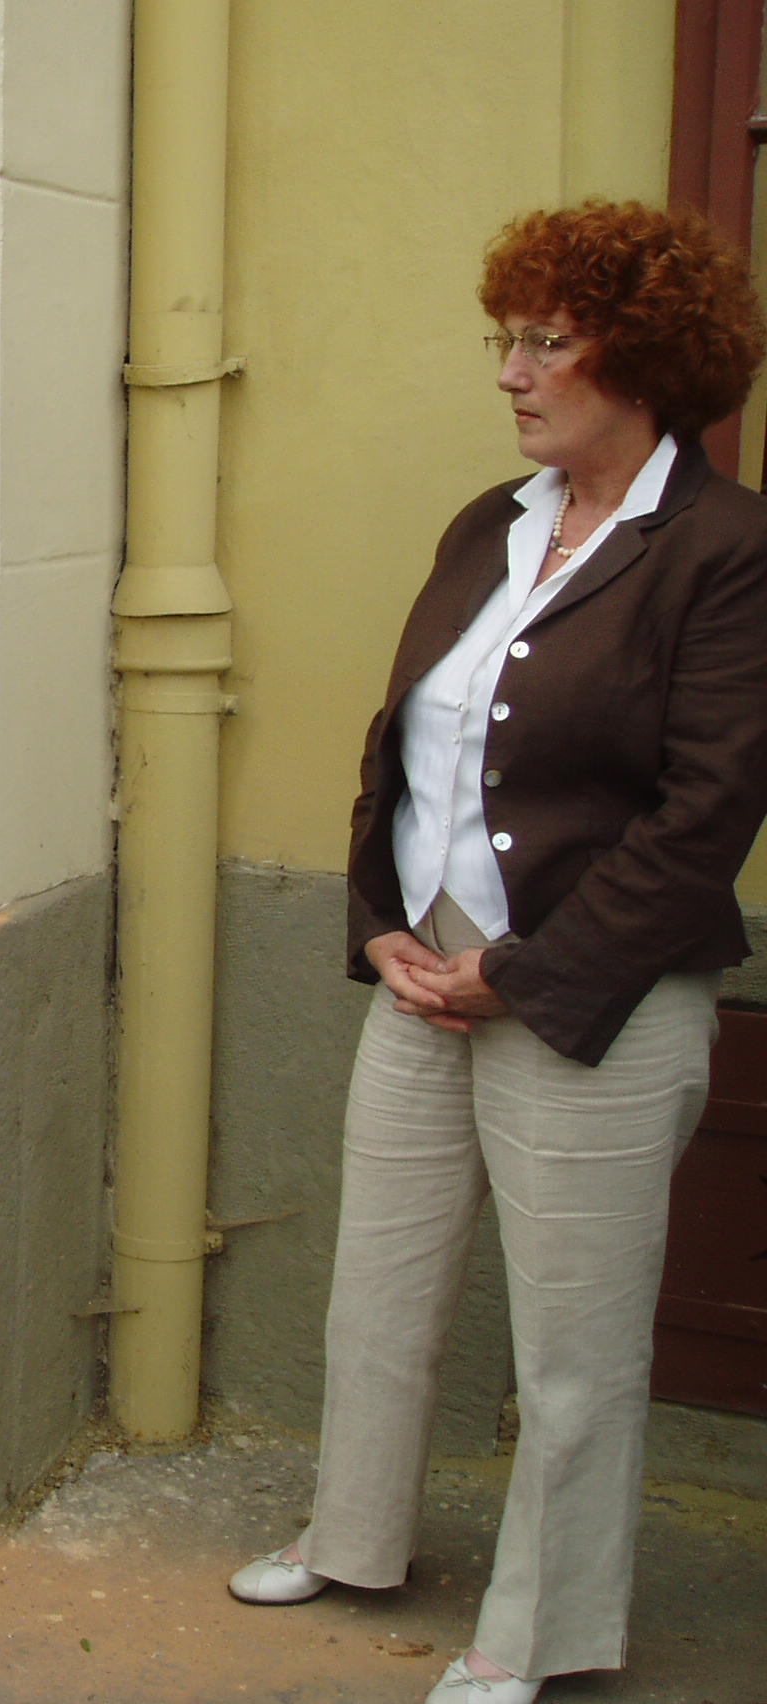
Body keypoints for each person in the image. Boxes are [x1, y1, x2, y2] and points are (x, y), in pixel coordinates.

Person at [226, 201, 767, 1703]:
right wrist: (380, 923)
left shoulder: (725, 549)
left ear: (641, 359)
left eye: (546, 342)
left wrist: (523, 973)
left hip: (596, 996)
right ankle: (353, 1540)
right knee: (379, 1287)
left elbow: (708, 812)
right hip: (430, 968)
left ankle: (538, 1637)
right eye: (506, 338)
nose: (511, 372)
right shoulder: (492, 523)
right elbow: (406, 740)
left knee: (575, 1350)